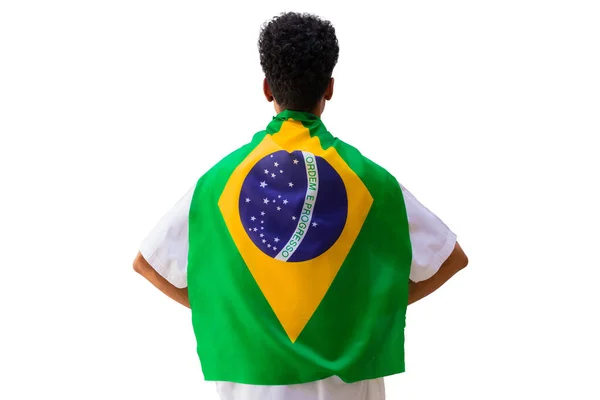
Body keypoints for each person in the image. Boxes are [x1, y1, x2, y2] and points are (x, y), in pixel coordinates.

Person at [133, 11, 468, 400]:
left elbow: (148, 264)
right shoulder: (371, 183)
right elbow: (451, 258)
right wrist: (369, 312)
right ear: (329, 88)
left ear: (266, 88)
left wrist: (229, 314)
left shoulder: (218, 185)